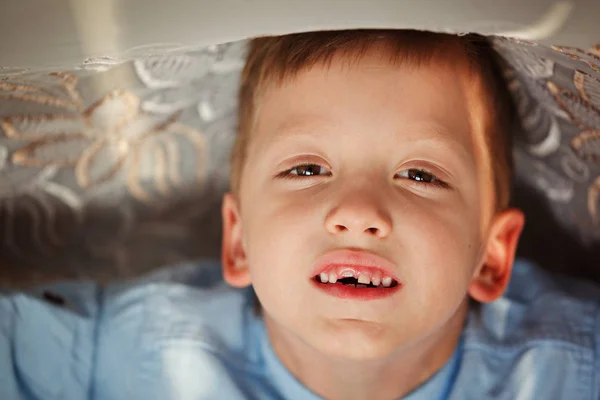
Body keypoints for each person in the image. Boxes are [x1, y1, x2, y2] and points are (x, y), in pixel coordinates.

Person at [1, 30, 599, 400]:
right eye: (306, 169)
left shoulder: (572, 367)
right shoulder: (134, 348)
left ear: (492, 256)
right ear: (237, 243)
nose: (357, 212)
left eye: (420, 175)